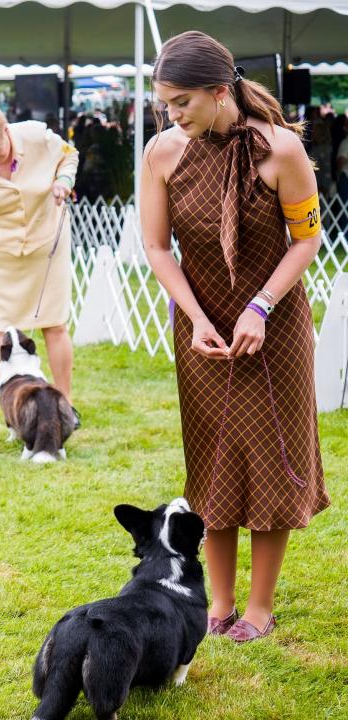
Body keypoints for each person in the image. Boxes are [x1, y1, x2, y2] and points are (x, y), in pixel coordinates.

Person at [141, 31, 329, 642]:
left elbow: (307, 240)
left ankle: (259, 608)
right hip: (201, 327)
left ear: (220, 92)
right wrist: (197, 318)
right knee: (215, 463)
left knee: (271, 461)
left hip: (271, 325)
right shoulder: (161, 154)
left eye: (181, 102)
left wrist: (261, 306)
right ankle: (217, 604)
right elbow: (155, 246)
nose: (172, 115)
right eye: (165, 104)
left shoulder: (282, 150)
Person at [0, 102, 79, 429]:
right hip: (1, 254)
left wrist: (63, 179)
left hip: (47, 243)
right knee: (2, 328)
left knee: (55, 324)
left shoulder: (36, 137)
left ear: (7, 130)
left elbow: (69, 154)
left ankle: (66, 404)